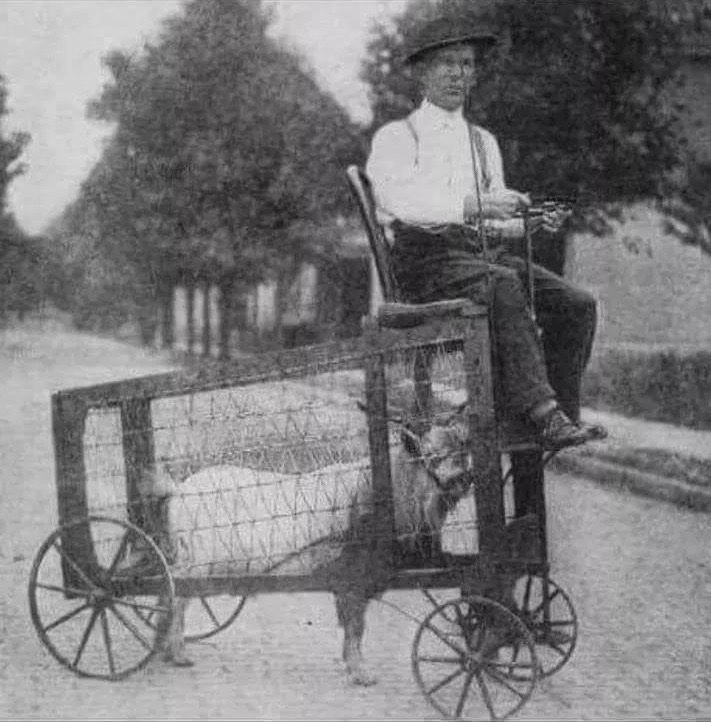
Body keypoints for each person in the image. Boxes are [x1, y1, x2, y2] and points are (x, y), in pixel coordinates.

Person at [366, 16, 605, 451]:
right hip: (425, 263)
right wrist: (474, 205)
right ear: (421, 72)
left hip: (480, 258)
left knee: (576, 304)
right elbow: (401, 201)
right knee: (504, 283)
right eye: (446, 63)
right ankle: (541, 412)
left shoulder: (482, 142)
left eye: (467, 64)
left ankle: (558, 417)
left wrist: (526, 223)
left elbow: (491, 221)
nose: (458, 74)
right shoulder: (398, 137)